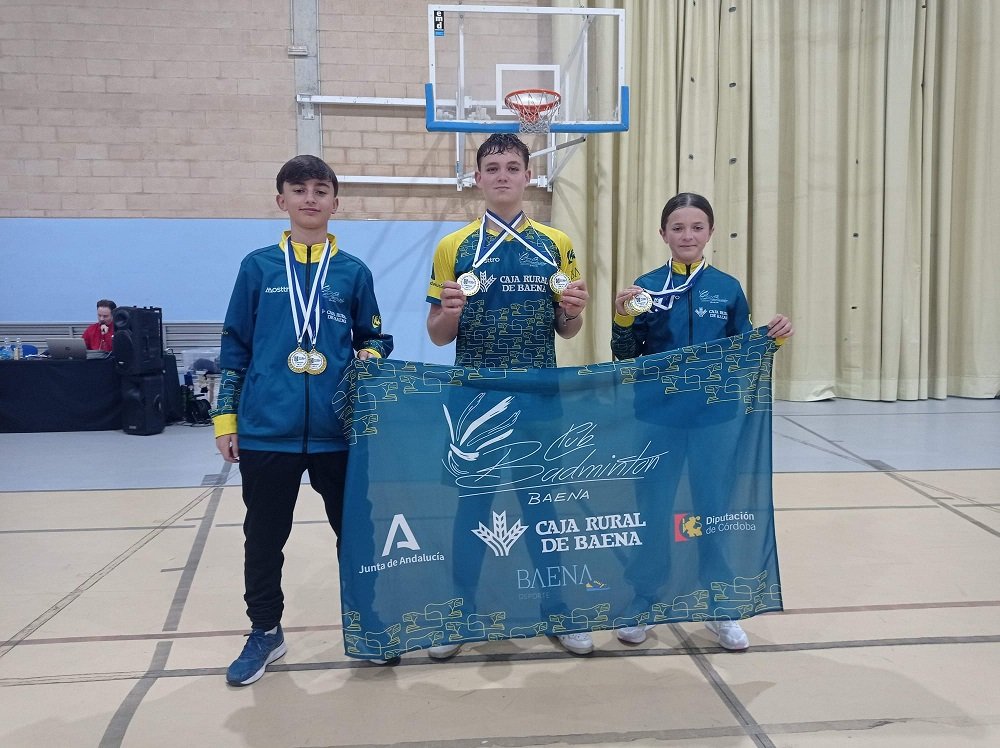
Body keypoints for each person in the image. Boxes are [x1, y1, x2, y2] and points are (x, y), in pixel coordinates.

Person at [212, 154, 394, 686]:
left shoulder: (353, 272)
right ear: (282, 200)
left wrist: (371, 354)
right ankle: (265, 631)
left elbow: (374, 337)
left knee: (355, 535)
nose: (309, 198)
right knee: (264, 538)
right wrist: (226, 419)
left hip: (339, 431)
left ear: (336, 202)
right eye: (299, 190)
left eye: (320, 190)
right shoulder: (257, 267)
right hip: (268, 429)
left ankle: (367, 620)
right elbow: (234, 348)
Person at [425, 133, 591, 657]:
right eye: (492, 168)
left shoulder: (556, 243)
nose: (502, 176)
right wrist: (450, 313)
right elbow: (437, 334)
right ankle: (460, 612)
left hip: (538, 399)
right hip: (474, 402)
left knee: (541, 507)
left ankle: (557, 608)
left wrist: (573, 310)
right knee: (472, 508)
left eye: (512, 167)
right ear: (477, 178)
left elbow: (568, 328)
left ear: (528, 176)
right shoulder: (453, 247)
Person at [610, 191, 793, 651]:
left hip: (714, 421)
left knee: (714, 510)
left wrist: (771, 340)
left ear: (710, 232)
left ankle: (720, 604)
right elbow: (625, 355)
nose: (687, 235)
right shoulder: (646, 288)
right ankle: (644, 599)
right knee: (653, 509)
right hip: (657, 420)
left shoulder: (727, 288)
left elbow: (743, 352)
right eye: (677, 228)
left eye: (696, 227)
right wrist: (622, 318)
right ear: (663, 234)